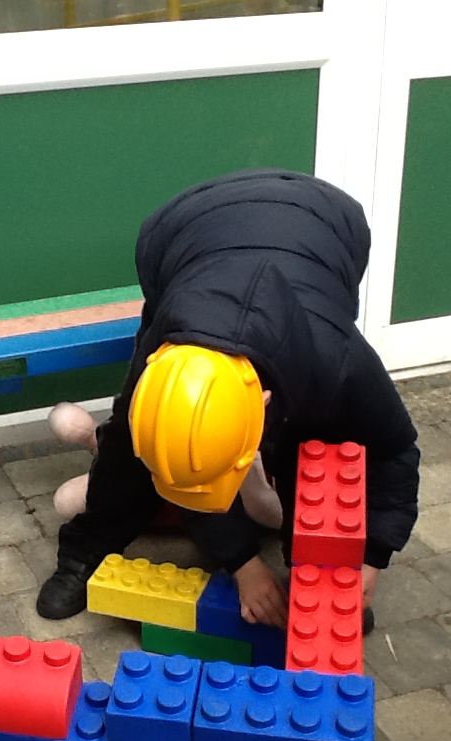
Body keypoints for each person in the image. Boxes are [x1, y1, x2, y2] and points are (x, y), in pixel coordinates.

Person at [36, 169, 420, 630]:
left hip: (325, 222)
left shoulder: (336, 359)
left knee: (315, 443)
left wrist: (370, 556)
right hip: (183, 228)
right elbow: (179, 461)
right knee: (135, 441)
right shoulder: (161, 361)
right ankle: (84, 553)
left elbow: (395, 451)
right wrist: (244, 565)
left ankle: (323, 576)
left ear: (263, 403)